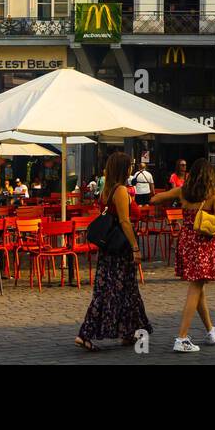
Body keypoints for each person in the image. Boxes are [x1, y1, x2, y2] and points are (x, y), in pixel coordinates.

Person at [150, 157, 215, 353]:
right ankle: (182, 337)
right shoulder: (213, 194)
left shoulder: (183, 191)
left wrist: (169, 200)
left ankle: (210, 330)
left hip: (186, 241)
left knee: (197, 285)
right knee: (195, 287)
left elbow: (155, 199)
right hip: (203, 243)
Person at [76, 151, 150, 352]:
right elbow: (125, 221)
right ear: (123, 168)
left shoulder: (106, 189)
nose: (131, 168)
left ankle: (128, 332)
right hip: (121, 247)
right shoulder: (121, 191)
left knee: (125, 290)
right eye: (129, 165)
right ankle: (86, 333)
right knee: (113, 291)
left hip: (109, 249)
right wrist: (135, 247)